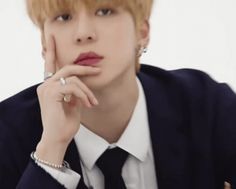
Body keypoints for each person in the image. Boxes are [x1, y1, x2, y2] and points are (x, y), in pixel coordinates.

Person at [0, 0, 235, 188]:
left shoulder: (206, 105)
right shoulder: (7, 131)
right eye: (64, 16)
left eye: (104, 11)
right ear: (44, 42)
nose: (83, 33)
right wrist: (50, 153)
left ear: (141, 31)